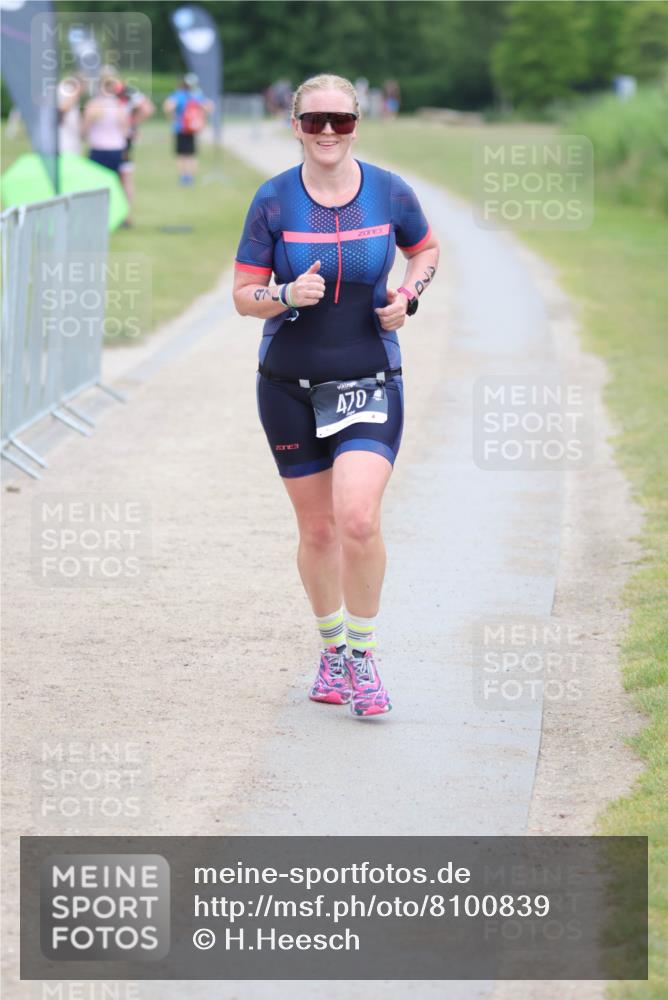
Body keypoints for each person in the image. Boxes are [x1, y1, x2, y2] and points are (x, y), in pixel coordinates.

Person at [233, 74, 439, 718]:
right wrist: (286, 295)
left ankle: (364, 657)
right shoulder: (272, 200)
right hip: (288, 382)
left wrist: (409, 298)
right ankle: (331, 650)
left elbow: (425, 249)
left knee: (357, 518)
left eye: (341, 120)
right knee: (318, 529)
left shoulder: (388, 190)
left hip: (369, 376)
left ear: (358, 123)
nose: (328, 132)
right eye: (315, 120)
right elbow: (243, 296)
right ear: (294, 125)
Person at [163, 73, 212, 185]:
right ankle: (190, 177)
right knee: (191, 154)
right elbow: (208, 107)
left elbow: (168, 107)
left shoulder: (178, 95)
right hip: (193, 129)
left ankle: (183, 177)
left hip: (180, 128)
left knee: (181, 155)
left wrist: (173, 118)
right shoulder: (197, 95)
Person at [82, 68, 131, 181]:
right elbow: (125, 129)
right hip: (117, 148)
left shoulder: (94, 104)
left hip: (99, 148)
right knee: (114, 183)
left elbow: (84, 129)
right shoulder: (118, 104)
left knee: (97, 183)